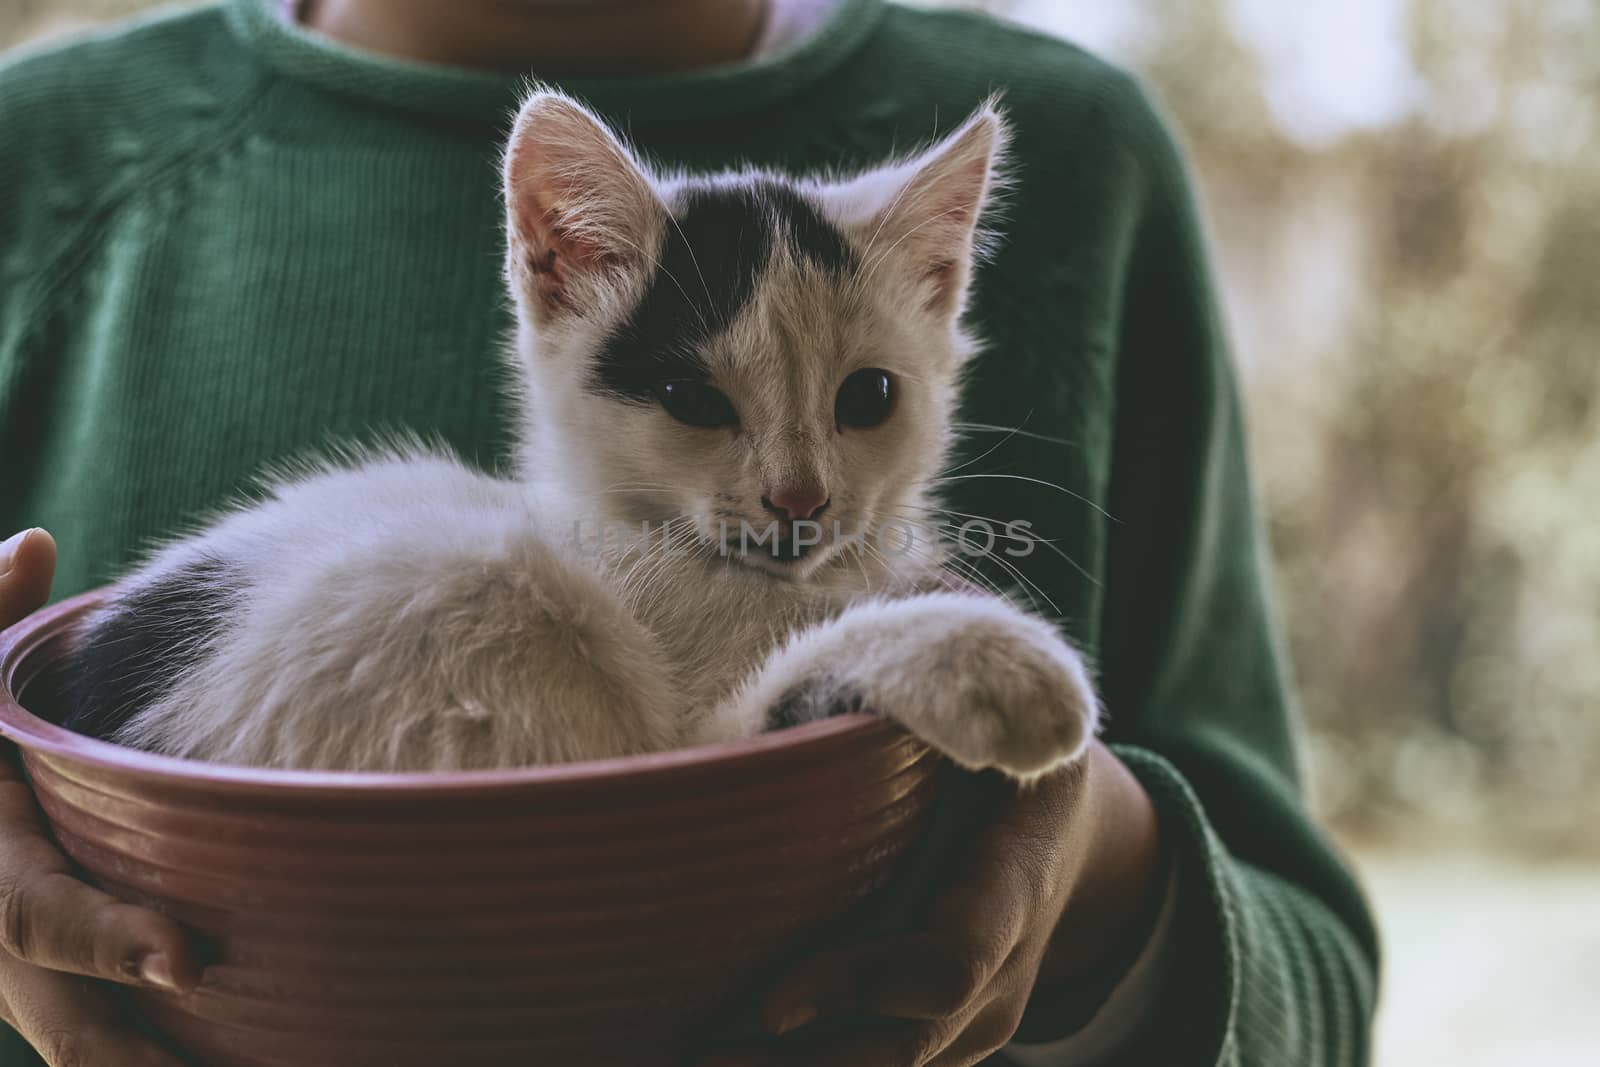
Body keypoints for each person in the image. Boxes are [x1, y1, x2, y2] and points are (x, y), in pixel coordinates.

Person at [0, 0, 1379, 1064]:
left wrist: (1099, 872)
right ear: (558, 264)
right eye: (705, 405)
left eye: (865, 404)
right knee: (475, 576)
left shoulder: (1088, 156)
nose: (798, 494)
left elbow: (1313, 990)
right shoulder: (43, 161)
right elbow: (731, 764)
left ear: (945, 290)